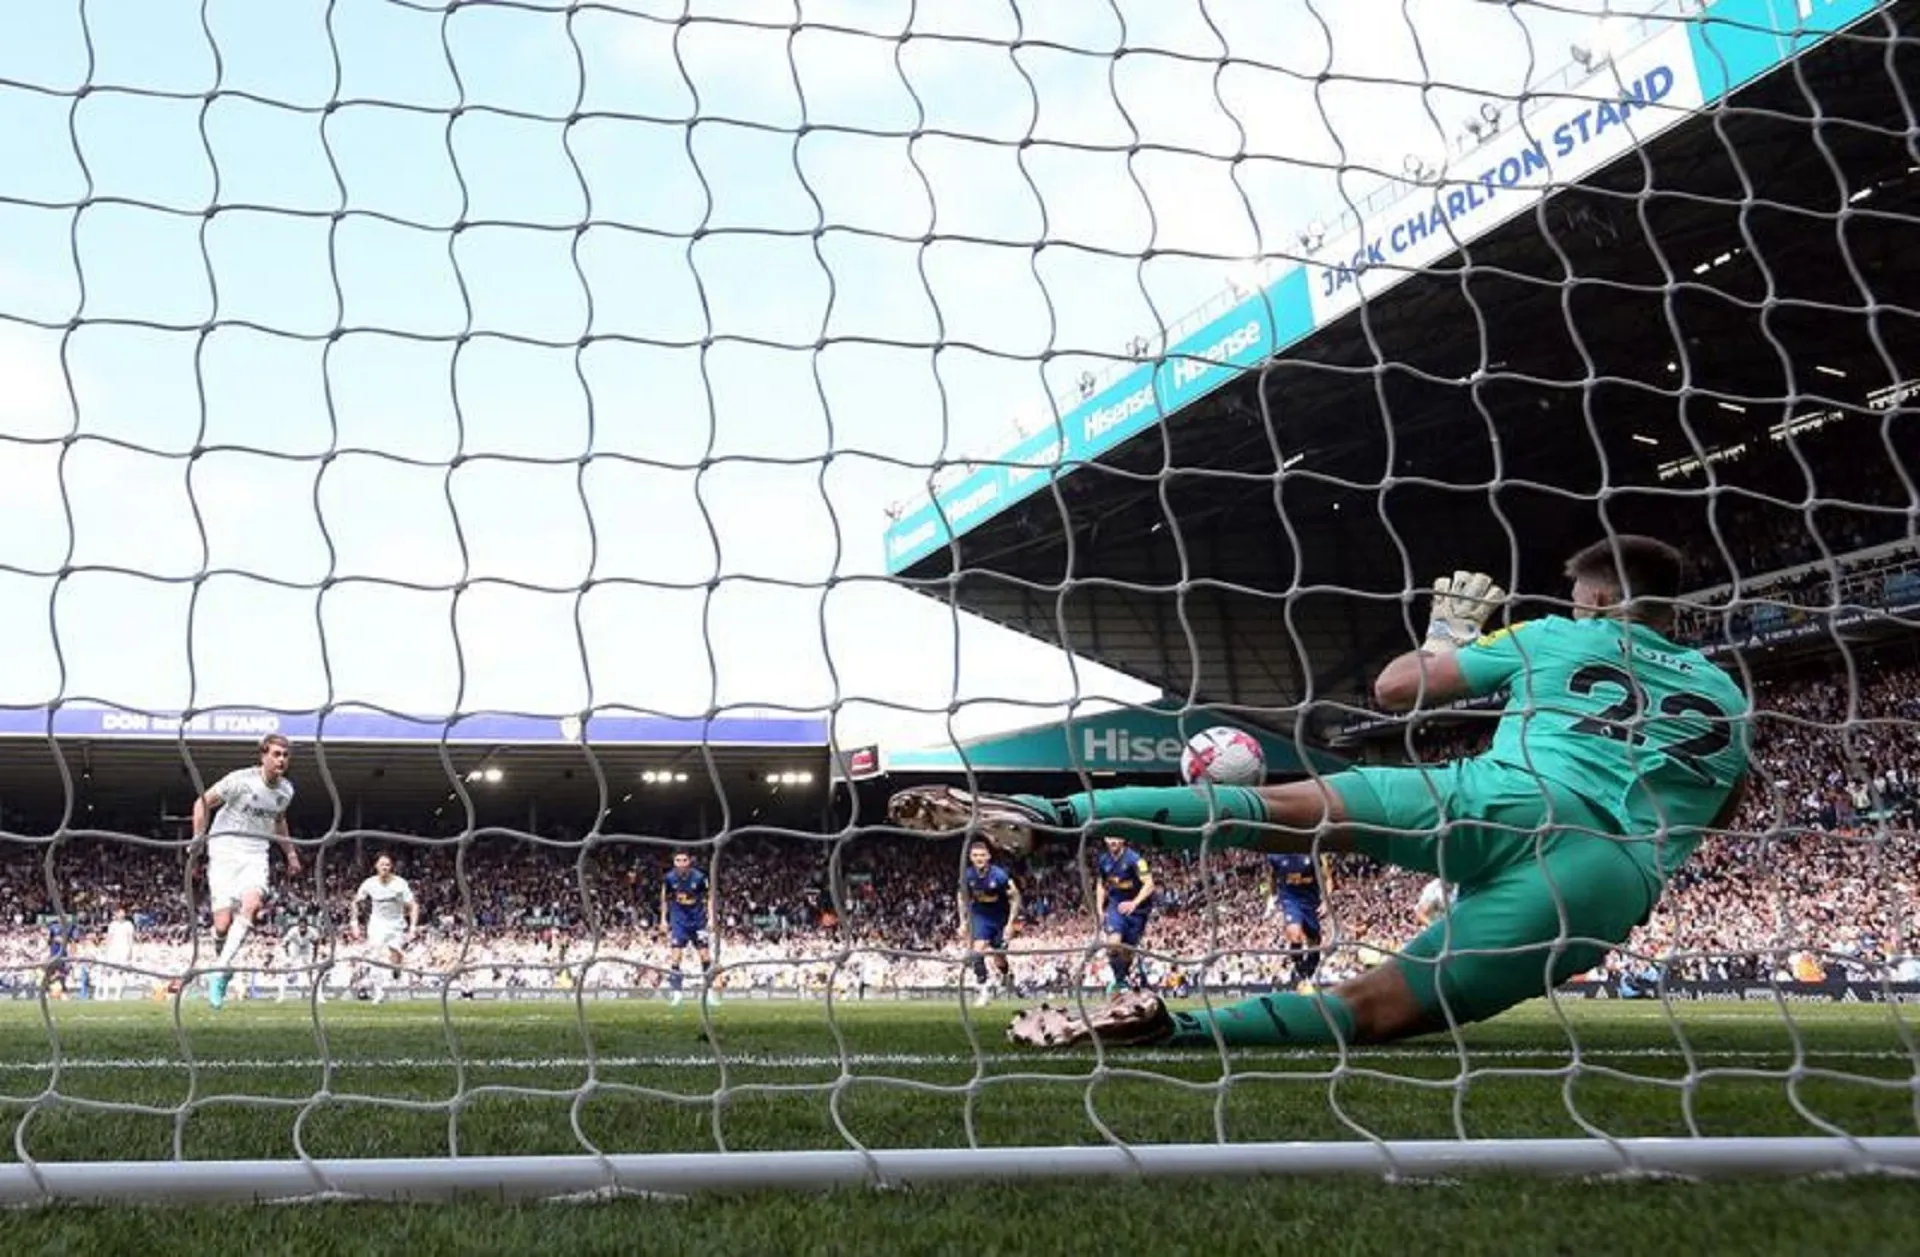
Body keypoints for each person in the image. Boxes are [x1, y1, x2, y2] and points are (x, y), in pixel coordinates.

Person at [887, 537, 1751, 1049]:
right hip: (1604, 878)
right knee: (1374, 1010)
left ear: (1597, 598)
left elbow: (1397, 689)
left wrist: (1448, 633)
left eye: (1577, 594)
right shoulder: (1729, 695)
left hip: (1504, 793)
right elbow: (1729, 807)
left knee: (1289, 810)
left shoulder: (1561, 634)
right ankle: (1182, 1029)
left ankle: (1054, 814)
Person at [194, 733, 302, 1010]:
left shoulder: (286, 791)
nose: (281, 760)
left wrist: (290, 853)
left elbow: (279, 820)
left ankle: (218, 971)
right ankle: (224, 966)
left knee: (252, 904)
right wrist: (198, 839)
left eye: (285, 755)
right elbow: (202, 802)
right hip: (224, 846)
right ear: (263, 755)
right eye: (276, 754)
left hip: (256, 851)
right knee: (221, 925)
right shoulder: (240, 781)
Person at [958, 837, 1022, 1005]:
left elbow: (1015, 897)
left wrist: (1010, 924)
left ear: (988, 857)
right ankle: (983, 990)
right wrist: (962, 921)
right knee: (977, 951)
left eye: (982, 855)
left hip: (1000, 918)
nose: (979, 858)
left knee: (999, 957)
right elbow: (961, 896)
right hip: (980, 916)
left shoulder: (999, 875)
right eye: (975, 855)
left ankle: (1008, 977)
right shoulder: (968, 875)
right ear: (971, 857)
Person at [350, 853, 419, 1004]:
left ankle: (396, 968)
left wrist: (413, 928)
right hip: (377, 924)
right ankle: (378, 992)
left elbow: (413, 905)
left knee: (395, 956)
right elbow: (355, 902)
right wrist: (354, 923)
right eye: (382, 864)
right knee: (374, 955)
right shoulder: (369, 883)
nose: (385, 867)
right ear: (376, 866)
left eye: (387, 865)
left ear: (391, 867)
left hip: (396, 924)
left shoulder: (400, 884)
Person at [659, 851, 718, 1007]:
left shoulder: (699, 878)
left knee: (705, 956)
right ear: (674, 862)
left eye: (684, 860)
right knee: (676, 956)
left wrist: (711, 918)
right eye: (678, 860)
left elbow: (710, 897)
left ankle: (709, 992)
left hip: (698, 920)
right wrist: (663, 919)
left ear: (689, 861)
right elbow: (664, 898)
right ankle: (677, 993)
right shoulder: (669, 878)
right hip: (679, 920)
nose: (681, 863)